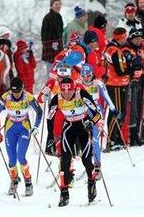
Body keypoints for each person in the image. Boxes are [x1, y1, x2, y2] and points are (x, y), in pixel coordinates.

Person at [46, 77, 101, 206]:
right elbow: (50, 118)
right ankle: (64, 193)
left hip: (83, 127)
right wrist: (50, 137)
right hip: (69, 128)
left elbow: (97, 113)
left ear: (73, 89)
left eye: (69, 91)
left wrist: (91, 122)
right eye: (63, 91)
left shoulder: (81, 93)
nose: (66, 94)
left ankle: (91, 184)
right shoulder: (57, 98)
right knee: (65, 161)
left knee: (87, 161)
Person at [0, 77, 42, 197]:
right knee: (12, 160)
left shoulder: (28, 96)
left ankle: (28, 182)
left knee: (21, 157)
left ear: (22, 89)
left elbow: (39, 112)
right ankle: (14, 181)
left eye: (18, 92)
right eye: (14, 92)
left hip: (24, 127)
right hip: (10, 128)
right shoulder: (5, 97)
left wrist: (36, 127)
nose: (16, 94)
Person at [80, 63, 119, 179]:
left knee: (95, 140)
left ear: (92, 74)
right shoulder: (78, 84)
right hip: (83, 113)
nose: (86, 78)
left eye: (88, 75)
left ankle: (97, 166)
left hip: (96, 113)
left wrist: (113, 109)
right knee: (85, 140)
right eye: (83, 75)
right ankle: (87, 164)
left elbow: (106, 97)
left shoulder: (98, 84)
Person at [103, 27, 130, 151]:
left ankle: (115, 138)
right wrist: (132, 68)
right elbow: (120, 70)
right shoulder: (115, 50)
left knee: (119, 112)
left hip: (113, 83)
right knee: (118, 112)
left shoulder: (109, 48)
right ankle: (111, 140)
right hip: (116, 84)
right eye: (124, 37)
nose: (126, 40)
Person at [41, 0, 63, 80]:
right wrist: (51, 46)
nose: (58, 6)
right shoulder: (47, 18)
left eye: (59, 4)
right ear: (51, 6)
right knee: (51, 74)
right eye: (56, 4)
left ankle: (57, 90)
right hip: (50, 51)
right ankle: (49, 90)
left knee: (59, 73)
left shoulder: (59, 17)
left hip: (58, 50)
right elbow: (44, 36)